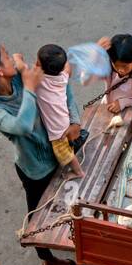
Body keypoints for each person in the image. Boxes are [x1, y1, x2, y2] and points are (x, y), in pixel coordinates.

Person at [0, 40, 81, 265]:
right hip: (35, 169)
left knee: (72, 193)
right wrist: (30, 87)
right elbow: (23, 125)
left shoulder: (20, 78)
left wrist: (75, 120)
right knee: (38, 218)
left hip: (61, 148)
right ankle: (47, 259)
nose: (12, 56)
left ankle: (75, 234)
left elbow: (61, 86)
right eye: (6, 56)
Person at [35, 44, 86, 178]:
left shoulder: (41, 81)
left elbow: (25, 71)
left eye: (37, 61)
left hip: (57, 128)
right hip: (64, 119)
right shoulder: (63, 77)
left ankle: (78, 172)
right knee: (66, 148)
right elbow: (68, 67)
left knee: (63, 152)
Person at [95, 33, 132, 120]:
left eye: (125, 66)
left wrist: (122, 103)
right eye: (117, 65)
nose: (121, 70)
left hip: (130, 112)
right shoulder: (108, 69)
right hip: (108, 106)